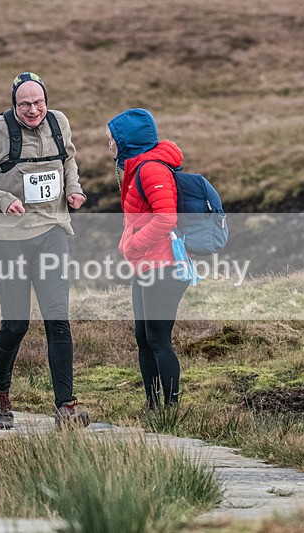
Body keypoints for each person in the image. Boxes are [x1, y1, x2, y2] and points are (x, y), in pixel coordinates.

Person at [0, 72, 89, 429]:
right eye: (25, 104)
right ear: (14, 104)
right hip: (8, 240)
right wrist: (2, 199)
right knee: (16, 323)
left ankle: (66, 406)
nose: (33, 111)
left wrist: (73, 189)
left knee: (58, 320)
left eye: (39, 103)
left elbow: (68, 160)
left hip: (51, 232)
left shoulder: (59, 123)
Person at [107, 108, 189, 409]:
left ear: (127, 140)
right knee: (145, 338)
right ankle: (153, 405)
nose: (110, 145)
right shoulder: (136, 166)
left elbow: (166, 219)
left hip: (164, 267)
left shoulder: (151, 169)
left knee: (158, 338)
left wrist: (134, 246)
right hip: (147, 265)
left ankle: (170, 408)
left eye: (113, 139)